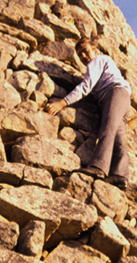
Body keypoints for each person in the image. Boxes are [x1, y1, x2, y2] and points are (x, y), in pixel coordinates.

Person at [45, 37, 131, 190]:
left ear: (95, 49)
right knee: (117, 136)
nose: (84, 56)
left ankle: (98, 167)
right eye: (80, 55)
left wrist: (63, 102)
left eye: (85, 51)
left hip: (114, 93)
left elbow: (86, 86)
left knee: (107, 130)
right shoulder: (104, 63)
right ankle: (120, 176)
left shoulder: (97, 61)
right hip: (123, 98)